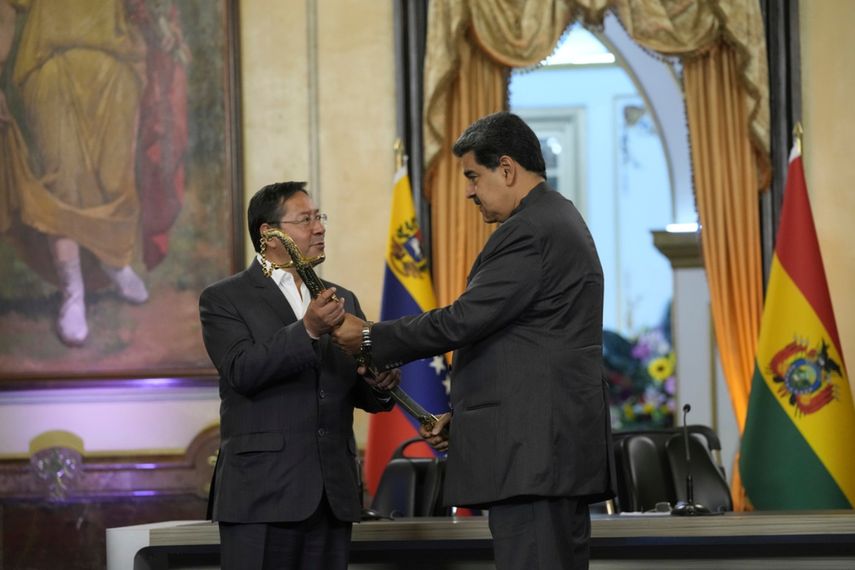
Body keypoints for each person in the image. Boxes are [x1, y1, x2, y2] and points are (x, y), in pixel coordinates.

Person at [333, 112, 614, 570]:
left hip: (534, 462)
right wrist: (467, 419)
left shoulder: (529, 230)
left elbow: (462, 322)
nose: (468, 191)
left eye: (472, 176)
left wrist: (367, 337)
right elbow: (523, 350)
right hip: (546, 453)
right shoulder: (556, 217)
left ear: (507, 169)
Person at [199, 181, 400, 570]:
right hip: (261, 495)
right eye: (305, 219)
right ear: (268, 233)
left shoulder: (341, 297)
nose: (319, 228)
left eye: (319, 217)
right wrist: (306, 329)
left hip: (332, 495)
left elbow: (352, 388)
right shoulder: (224, 298)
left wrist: (379, 384)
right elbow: (241, 370)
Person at [0, 0, 188, 346]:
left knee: (115, 180)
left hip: (117, 65)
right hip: (49, 63)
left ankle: (115, 260)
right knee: (62, 181)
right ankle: (73, 292)